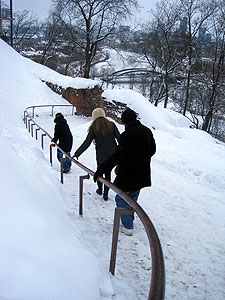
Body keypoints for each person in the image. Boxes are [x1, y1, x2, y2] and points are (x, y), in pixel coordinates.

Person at [93, 108, 156, 236]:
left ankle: (128, 226)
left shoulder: (127, 135)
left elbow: (117, 156)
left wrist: (101, 169)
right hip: (142, 172)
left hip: (128, 174)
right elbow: (152, 150)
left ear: (125, 122)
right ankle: (129, 221)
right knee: (132, 199)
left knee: (121, 199)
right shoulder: (147, 131)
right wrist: (141, 157)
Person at [73, 108, 120, 200]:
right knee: (108, 173)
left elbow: (87, 143)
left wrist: (77, 153)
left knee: (100, 171)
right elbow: (120, 139)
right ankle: (106, 194)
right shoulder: (112, 125)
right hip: (113, 155)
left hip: (101, 155)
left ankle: (100, 189)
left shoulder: (94, 127)